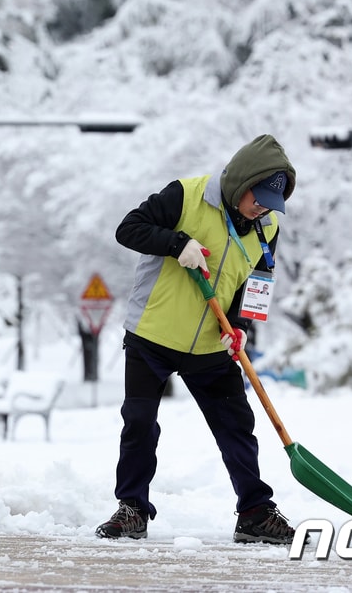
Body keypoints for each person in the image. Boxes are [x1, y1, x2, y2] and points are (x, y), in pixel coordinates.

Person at [98, 134, 297, 544]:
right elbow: (128, 229)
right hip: (152, 334)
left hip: (211, 343)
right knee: (139, 423)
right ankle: (132, 509)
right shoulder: (186, 196)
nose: (261, 208)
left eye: (270, 203)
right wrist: (177, 243)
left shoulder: (268, 227)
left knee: (237, 426)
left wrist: (241, 326)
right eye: (257, 198)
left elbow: (258, 281)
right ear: (240, 183)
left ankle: (255, 512)